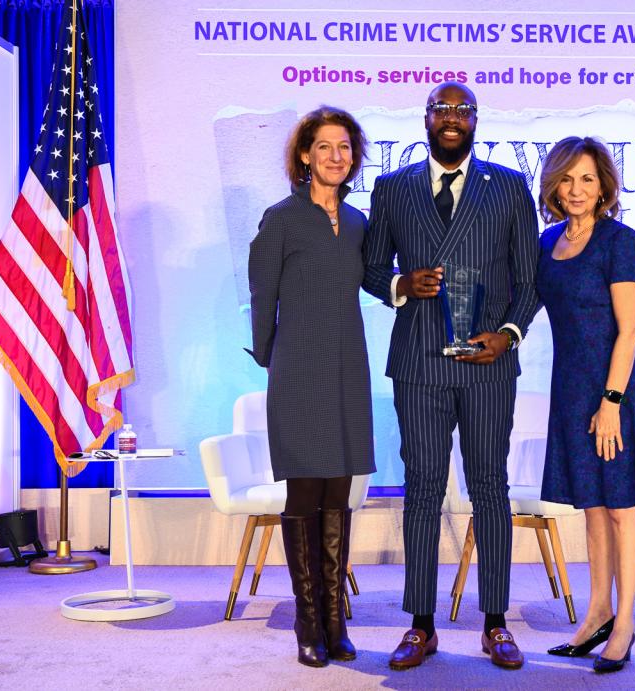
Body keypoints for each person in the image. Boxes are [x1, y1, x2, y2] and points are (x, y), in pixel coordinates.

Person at [363, 82, 540, 671]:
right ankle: (420, 625)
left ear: (476, 121)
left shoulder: (509, 186)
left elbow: (530, 278)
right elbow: (369, 269)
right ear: (425, 118)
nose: (453, 118)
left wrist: (508, 335)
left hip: (489, 364)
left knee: (490, 487)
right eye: (443, 109)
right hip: (418, 363)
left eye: (463, 110)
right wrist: (399, 285)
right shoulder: (392, 188)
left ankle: (495, 623)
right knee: (422, 491)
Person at [248, 106, 376, 668]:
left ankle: (334, 619)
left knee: (338, 495)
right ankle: (306, 622)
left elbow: (374, 281)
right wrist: (274, 357)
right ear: (305, 155)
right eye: (324, 147)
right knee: (303, 495)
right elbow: (261, 296)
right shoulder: (280, 218)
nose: (335, 156)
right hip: (297, 368)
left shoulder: (357, 223)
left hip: (349, 365)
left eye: (344, 147)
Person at [535, 136, 635, 674]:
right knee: (591, 508)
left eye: (588, 179)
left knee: (619, 507)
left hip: (616, 389)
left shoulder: (621, 241)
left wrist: (611, 401)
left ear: (604, 185)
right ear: (554, 187)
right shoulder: (547, 243)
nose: (577, 189)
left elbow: (628, 329)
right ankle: (596, 613)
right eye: (567, 179)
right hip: (570, 389)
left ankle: (625, 623)